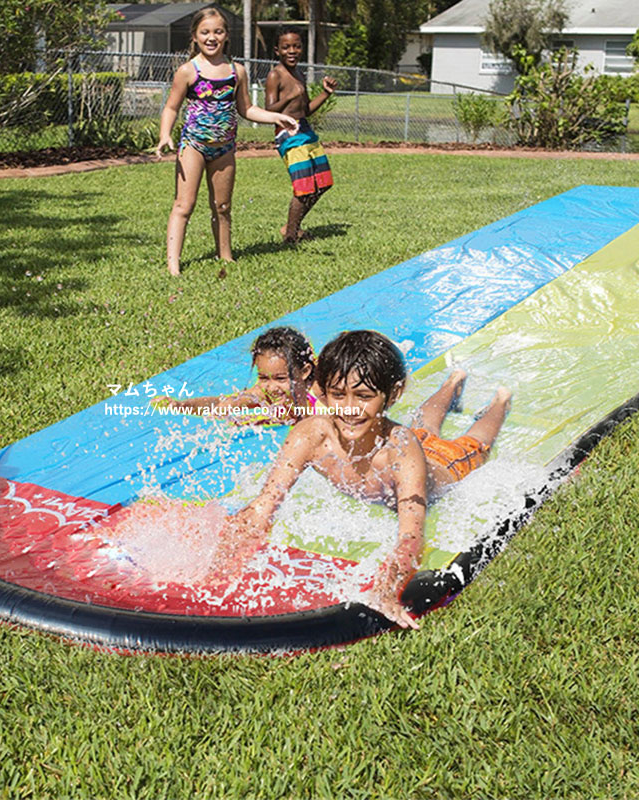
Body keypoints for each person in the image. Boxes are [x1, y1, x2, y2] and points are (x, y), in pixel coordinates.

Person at [208, 330, 512, 630]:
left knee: (474, 445)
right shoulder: (312, 435)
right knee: (424, 424)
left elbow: (411, 537)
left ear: (393, 394)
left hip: (442, 465)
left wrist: (387, 587)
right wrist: (218, 565)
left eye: (364, 397)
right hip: (404, 440)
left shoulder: (401, 453)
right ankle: (452, 382)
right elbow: (263, 507)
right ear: (323, 392)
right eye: (338, 395)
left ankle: (501, 401)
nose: (350, 409)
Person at [156, 8, 298, 277]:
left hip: (224, 149)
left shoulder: (237, 72)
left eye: (218, 32)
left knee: (222, 207)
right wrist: (165, 134)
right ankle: (173, 264)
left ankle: (226, 255)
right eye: (205, 32)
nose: (212, 37)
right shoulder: (188, 71)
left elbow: (247, 109)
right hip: (194, 146)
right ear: (195, 36)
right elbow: (172, 107)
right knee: (183, 205)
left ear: (226, 36)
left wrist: (277, 117)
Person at [158, 326, 318, 425]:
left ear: (304, 372)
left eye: (281, 378)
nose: (271, 387)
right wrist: (181, 405)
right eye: (263, 378)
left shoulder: (323, 396)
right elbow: (224, 402)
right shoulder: (266, 392)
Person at [264, 27, 337, 243]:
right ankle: (291, 236)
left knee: (323, 181)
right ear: (277, 50)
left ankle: (292, 226)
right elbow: (269, 110)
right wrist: (289, 97)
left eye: (296, 46)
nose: (292, 51)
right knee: (303, 186)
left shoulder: (299, 73)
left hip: (304, 128)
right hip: (287, 132)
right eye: (286, 47)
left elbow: (305, 110)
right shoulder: (275, 75)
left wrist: (325, 93)